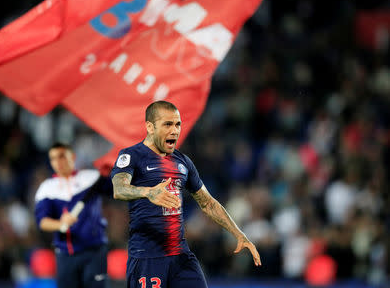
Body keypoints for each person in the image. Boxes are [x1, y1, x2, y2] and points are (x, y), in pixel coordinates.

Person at [110, 101, 261, 288]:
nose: (175, 130)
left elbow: (208, 203)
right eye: (167, 124)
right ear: (150, 127)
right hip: (147, 257)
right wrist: (147, 192)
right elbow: (119, 189)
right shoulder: (132, 155)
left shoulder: (183, 162)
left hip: (181, 257)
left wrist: (238, 233)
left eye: (177, 124)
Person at [34, 142, 109, 288]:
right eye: (53, 158)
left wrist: (115, 171)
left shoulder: (92, 178)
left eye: (62, 156)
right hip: (66, 254)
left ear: (72, 157)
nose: (58, 162)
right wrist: (61, 223)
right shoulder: (47, 188)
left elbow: (118, 191)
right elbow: (42, 222)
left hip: (95, 250)